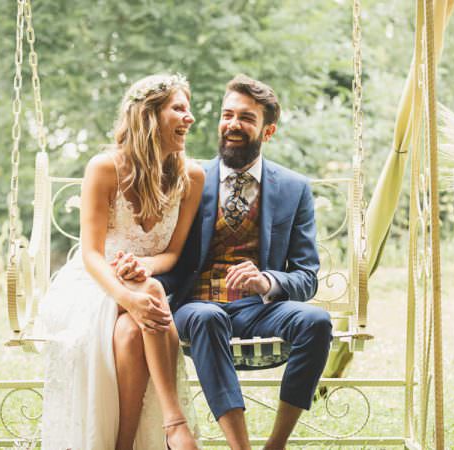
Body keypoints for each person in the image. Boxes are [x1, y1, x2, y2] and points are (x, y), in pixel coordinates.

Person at [115, 74, 332, 450]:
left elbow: (306, 276)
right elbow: (162, 244)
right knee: (206, 316)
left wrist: (267, 281)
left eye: (246, 118)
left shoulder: (294, 188)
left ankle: (276, 444)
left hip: (257, 310)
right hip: (195, 306)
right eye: (227, 114)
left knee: (317, 321)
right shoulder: (188, 178)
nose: (233, 124)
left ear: (268, 131)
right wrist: (140, 279)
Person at [37, 73, 204, 450]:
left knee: (131, 332)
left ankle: (123, 444)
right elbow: (91, 254)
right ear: (148, 115)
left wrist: (144, 268)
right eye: (179, 108)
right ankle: (174, 422)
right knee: (151, 292)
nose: (190, 118)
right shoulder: (104, 168)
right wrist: (126, 294)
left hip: (141, 289)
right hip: (93, 284)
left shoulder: (191, 177)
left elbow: (172, 254)